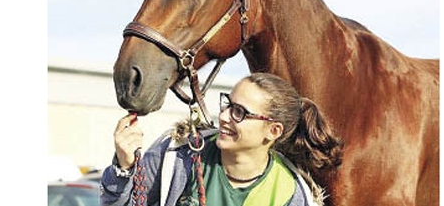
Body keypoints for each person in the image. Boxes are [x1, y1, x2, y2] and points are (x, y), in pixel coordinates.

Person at [100, 73, 343, 206]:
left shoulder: (292, 194)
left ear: (273, 131)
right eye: (227, 104)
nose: (224, 116)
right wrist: (124, 167)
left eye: (240, 112)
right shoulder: (178, 154)